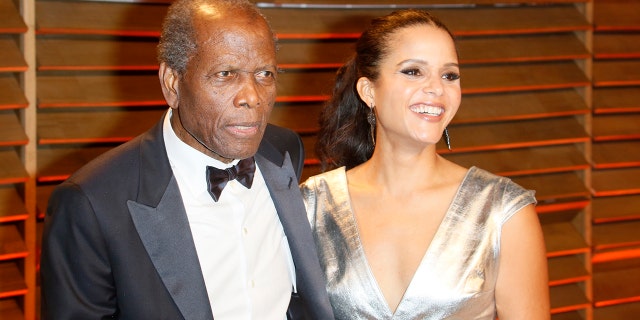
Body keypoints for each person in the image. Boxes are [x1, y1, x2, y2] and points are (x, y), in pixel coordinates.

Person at [40, 0, 334, 319]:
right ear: (172, 83)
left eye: (265, 73)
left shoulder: (283, 150)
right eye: (226, 74)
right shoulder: (91, 205)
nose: (253, 97)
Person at [300, 9, 550, 320]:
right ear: (368, 90)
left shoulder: (502, 211)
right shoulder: (311, 205)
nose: (437, 88)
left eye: (449, 75)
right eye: (413, 71)